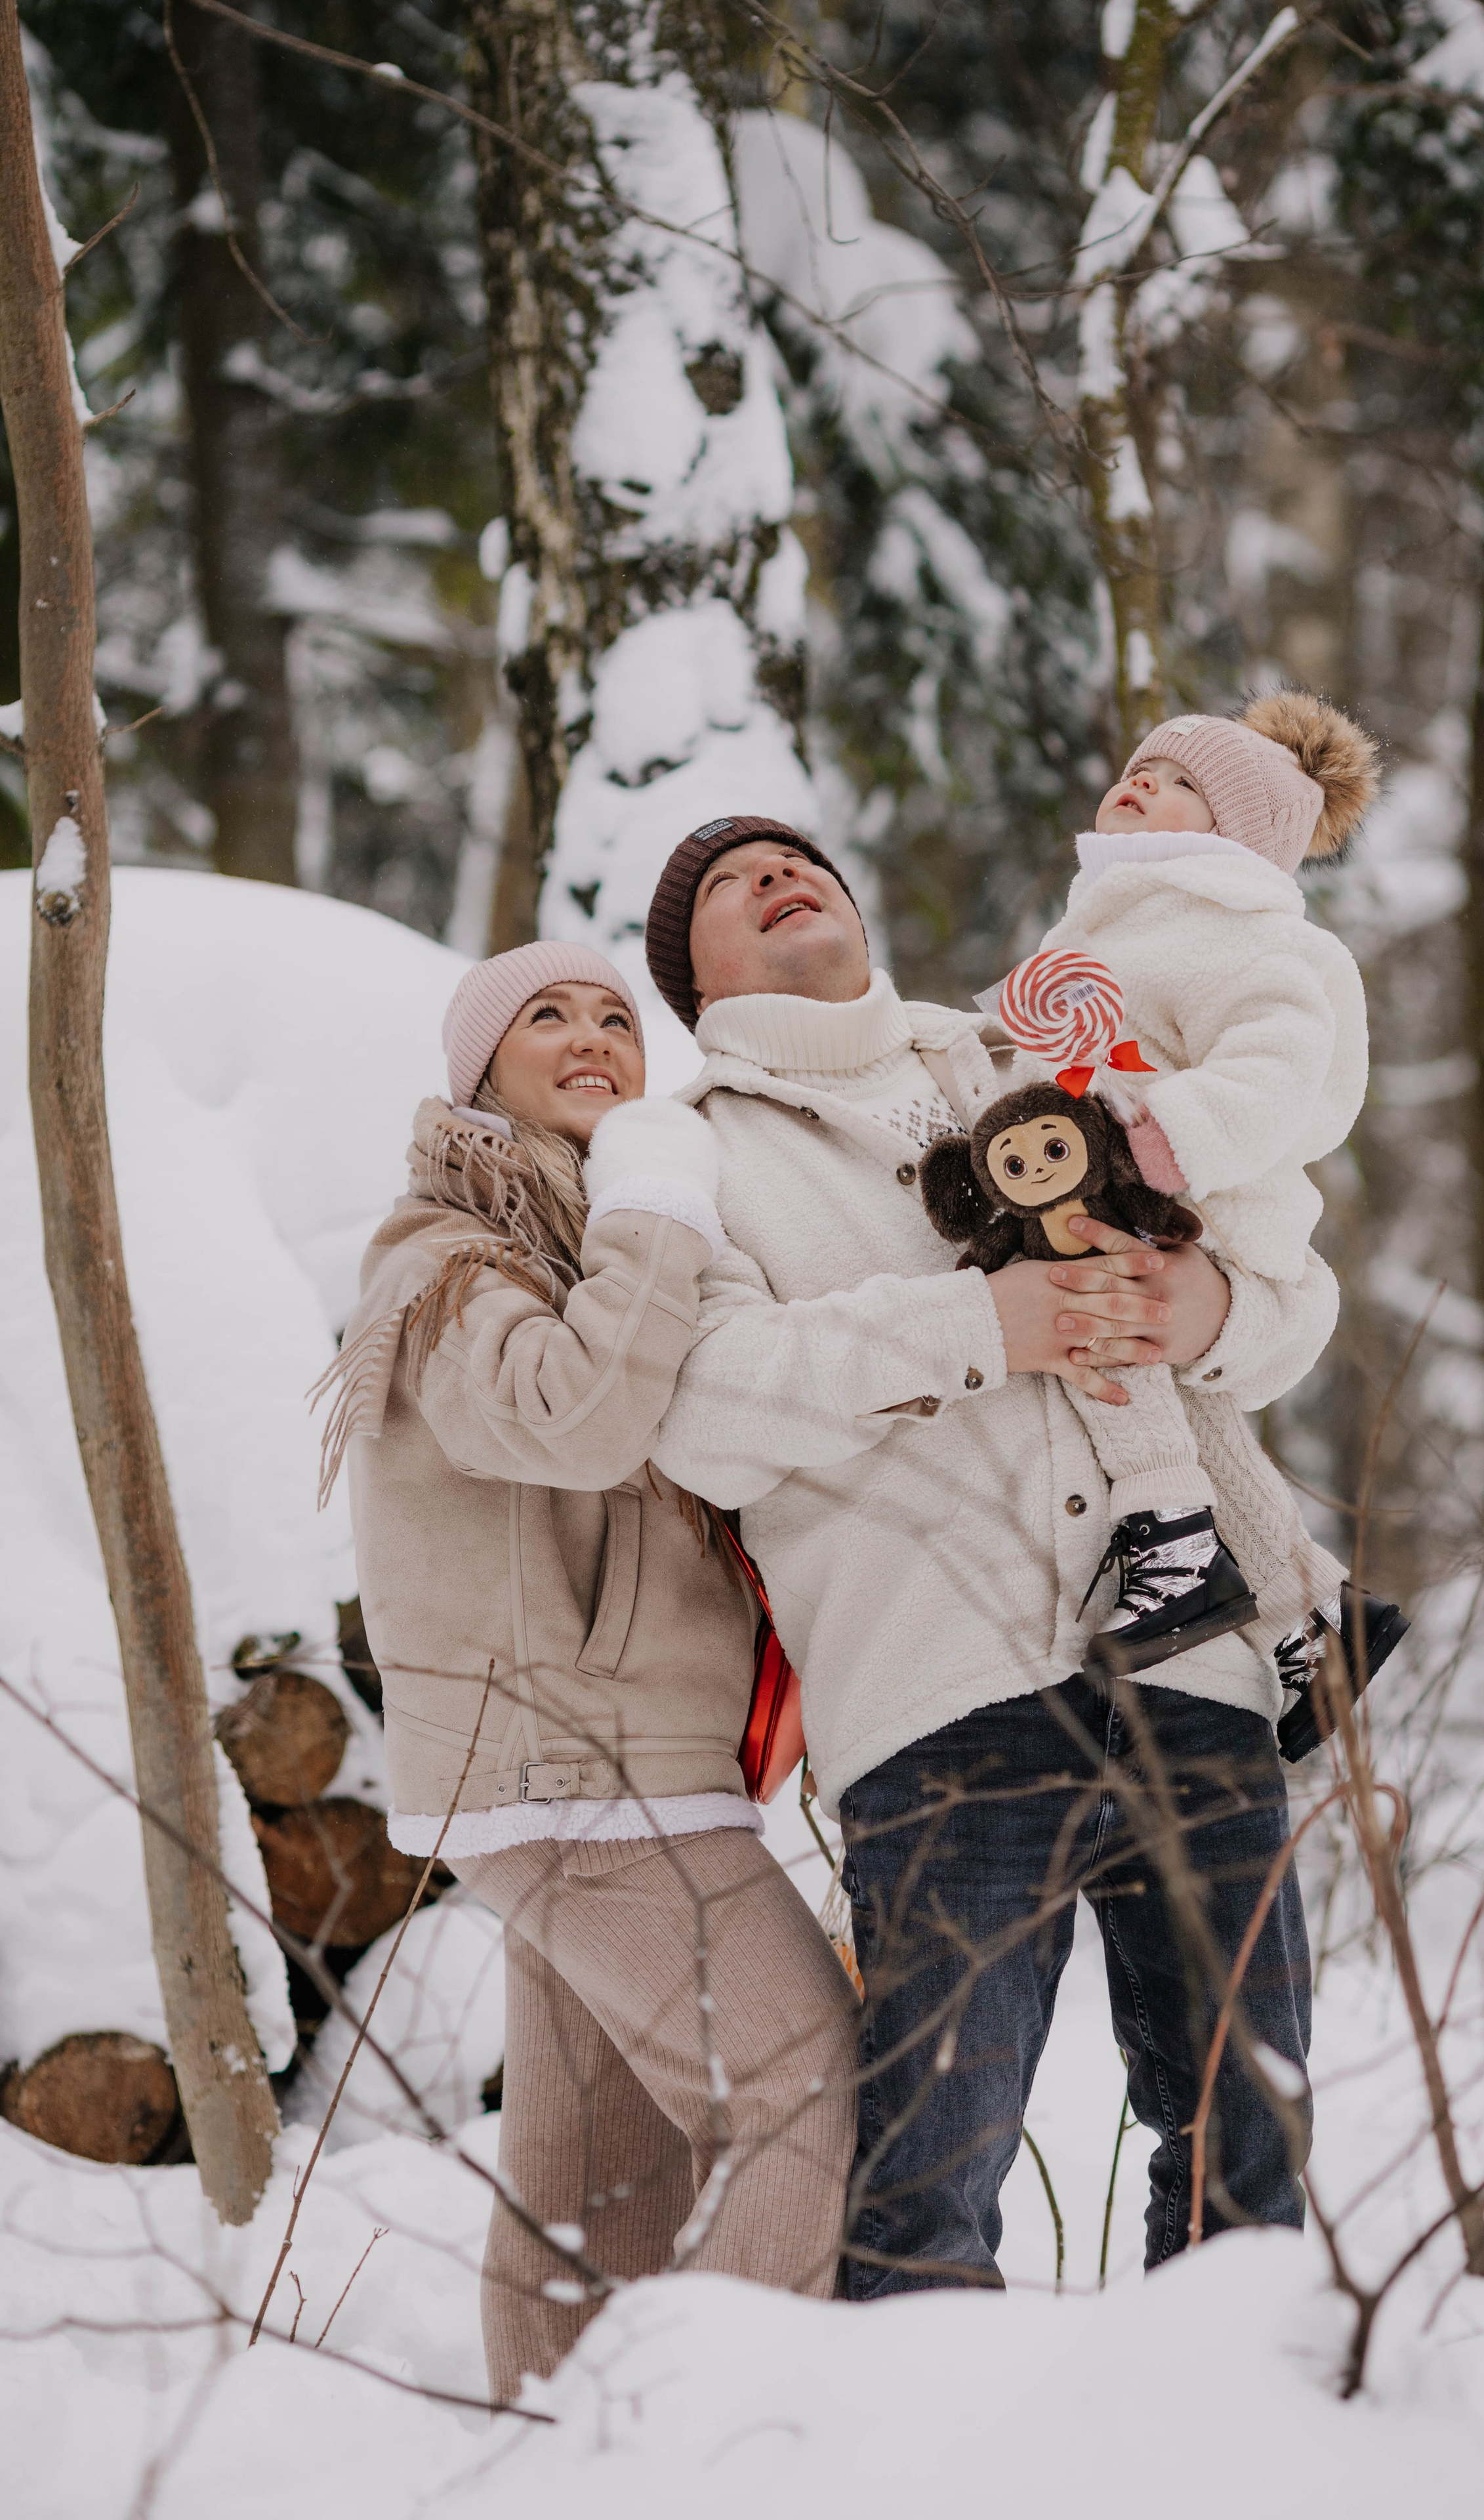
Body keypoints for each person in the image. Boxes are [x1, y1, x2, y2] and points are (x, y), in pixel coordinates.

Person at [642, 814, 1336, 2288]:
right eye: (725, 884)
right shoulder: (690, 1151)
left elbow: (1293, 1297)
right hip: (940, 1703)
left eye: (797, 858)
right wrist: (982, 1328)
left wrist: (1197, 1311)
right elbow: (701, 1412)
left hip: (1191, 1663)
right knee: (925, 2191)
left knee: (1249, 2152)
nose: (777, 874)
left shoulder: (1038, 1059)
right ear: (689, 977)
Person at [319, 939, 856, 2399]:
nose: (590, 1036)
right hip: (577, 1769)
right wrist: (657, 1204)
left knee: (598, 2187)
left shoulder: (575, 1244)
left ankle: (553, 2450)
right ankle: (698, 2445)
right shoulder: (445, 1258)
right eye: (542, 1015)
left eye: (616, 1016)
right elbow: (572, 1423)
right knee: (810, 2097)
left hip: (608, 1765)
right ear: (476, 1069)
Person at [1037, 694, 1404, 1717]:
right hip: (1126, 1184)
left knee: (1105, 1335)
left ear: (1239, 838)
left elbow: (1286, 1060)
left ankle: (1174, 1541)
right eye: (1146, 767)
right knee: (1202, 1423)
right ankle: (1316, 1610)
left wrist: (1173, 1133)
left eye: (1186, 784)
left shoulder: (1236, 924)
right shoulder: (1105, 919)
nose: (1147, 782)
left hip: (1196, 1197)